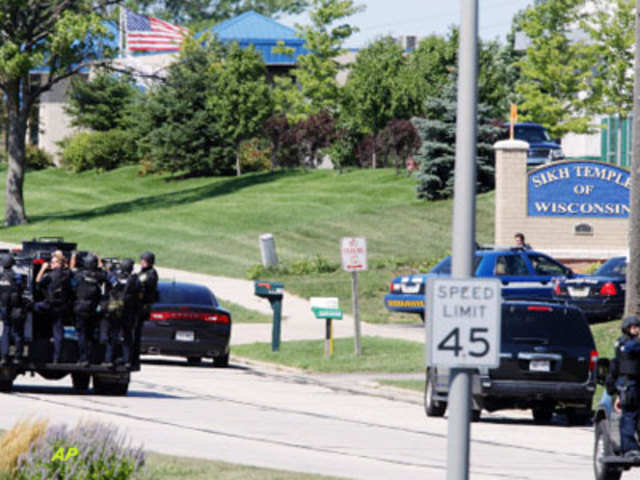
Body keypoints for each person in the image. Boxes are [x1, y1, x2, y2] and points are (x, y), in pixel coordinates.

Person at [35, 251, 73, 364]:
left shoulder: (50, 276)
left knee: (33, 308)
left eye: (53, 262)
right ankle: (56, 358)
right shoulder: (67, 274)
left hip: (49, 306)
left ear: (57, 264)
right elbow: (70, 269)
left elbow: (38, 282)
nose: (51, 264)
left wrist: (43, 268)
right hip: (62, 307)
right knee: (58, 332)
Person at [103, 258, 140, 367]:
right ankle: (127, 360)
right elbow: (139, 290)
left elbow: (107, 279)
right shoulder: (134, 279)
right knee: (127, 336)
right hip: (128, 311)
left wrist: (109, 270)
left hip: (115, 310)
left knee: (112, 335)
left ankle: (109, 359)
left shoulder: (114, 277)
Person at [613, 316, 640, 459]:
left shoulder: (621, 343)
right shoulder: (630, 345)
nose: (637, 330)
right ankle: (630, 450)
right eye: (634, 327)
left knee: (628, 417)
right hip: (631, 386)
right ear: (627, 328)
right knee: (629, 417)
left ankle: (628, 449)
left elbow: (615, 368)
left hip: (625, 386)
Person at [71, 253, 106, 367]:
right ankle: (91, 357)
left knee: (82, 334)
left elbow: (71, 271)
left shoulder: (79, 275)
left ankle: (83, 358)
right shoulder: (98, 276)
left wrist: (73, 257)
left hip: (80, 308)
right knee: (90, 334)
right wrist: (100, 264)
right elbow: (105, 275)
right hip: (92, 309)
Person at [133, 251, 158, 369]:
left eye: (144, 260)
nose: (141, 262)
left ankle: (134, 357)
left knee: (136, 333)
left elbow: (139, 282)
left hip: (142, 307)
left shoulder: (151, 274)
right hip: (138, 306)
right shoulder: (144, 272)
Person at [0, 254, 25, 366]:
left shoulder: (0, 277)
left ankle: (4, 356)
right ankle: (17, 356)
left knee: (6, 330)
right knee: (17, 332)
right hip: (16, 307)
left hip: (4, 307)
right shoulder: (17, 276)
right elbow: (22, 287)